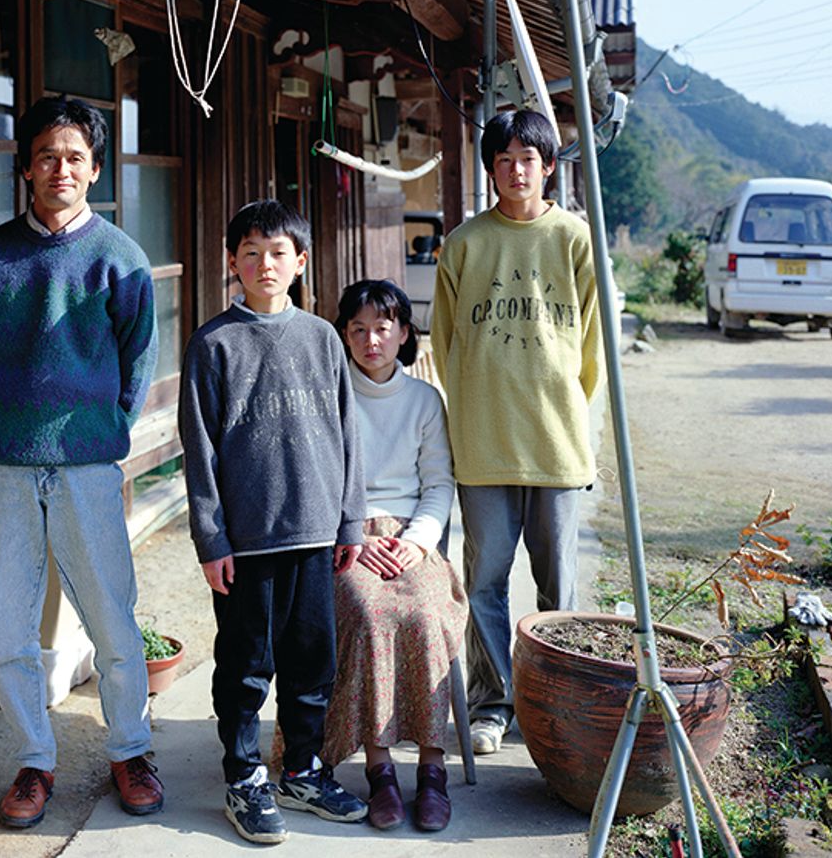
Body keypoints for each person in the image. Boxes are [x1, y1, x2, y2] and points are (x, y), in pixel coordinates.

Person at [0, 96, 164, 828]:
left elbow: (138, 363)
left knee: (112, 613)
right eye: (47, 155)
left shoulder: (120, 259)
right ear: (25, 168)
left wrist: (105, 434)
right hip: (1, 463)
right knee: (9, 623)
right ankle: (35, 760)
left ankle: (130, 749)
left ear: (95, 169)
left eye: (74, 157)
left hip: (86, 463)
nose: (60, 168)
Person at [177, 199, 368, 845]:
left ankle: (304, 770)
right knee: (245, 664)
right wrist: (211, 537)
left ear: (300, 262)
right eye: (251, 252)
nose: (265, 264)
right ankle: (243, 776)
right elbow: (199, 452)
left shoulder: (321, 338)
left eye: (278, 252)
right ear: (232, 262)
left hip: (316, 533)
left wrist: (351, 523)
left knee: (313, 660)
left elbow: (348, 433)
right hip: (248, 539)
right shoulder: (213, 345)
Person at [429, 109, 603, 757]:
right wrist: (476, 402)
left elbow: (592, 345)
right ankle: (493, 702)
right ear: (491, 169)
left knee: (560, 588)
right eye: (504, 160)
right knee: (485, 583)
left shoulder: (574, 239)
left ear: (548, 166)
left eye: (528, 158)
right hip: (482, 443)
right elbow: (445, 346)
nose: (516, 170)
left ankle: (557, 699)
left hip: (557, 443)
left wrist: (565, 408)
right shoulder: (465, 243)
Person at [322, 280, 467, 833]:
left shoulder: (425, 400)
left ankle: (432, 770)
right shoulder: (333, 395)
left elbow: (438, 484)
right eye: (357, 329)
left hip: (413, 537)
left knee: (428, 615)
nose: (370, 340)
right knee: (367, 613)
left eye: (382, 327)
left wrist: (415, 541)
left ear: (404, 333)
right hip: (350, 537)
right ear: (344, 336)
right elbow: (327, 480)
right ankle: (379, 769)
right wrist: (355, 532)